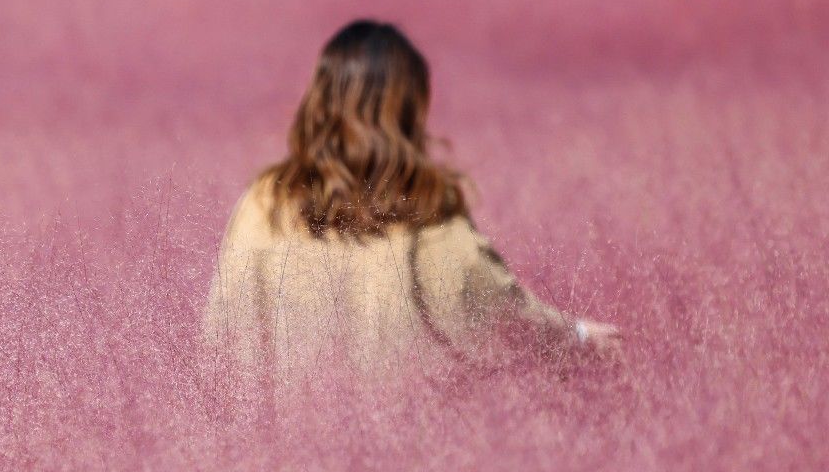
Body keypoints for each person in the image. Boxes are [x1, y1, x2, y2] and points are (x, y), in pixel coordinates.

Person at [204, 20, 619, 372]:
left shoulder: (262, 202)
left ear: (319, 101)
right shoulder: (424, 206)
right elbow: (497, 314)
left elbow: (220, 336)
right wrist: (576, 336)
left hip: (273, 457)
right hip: (399, 458)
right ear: (407, 111)